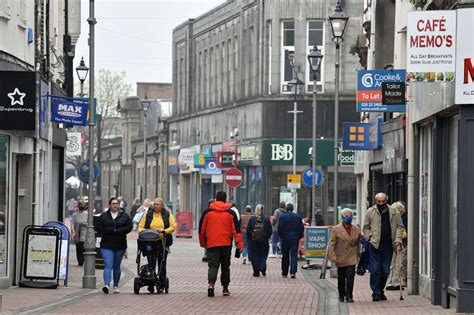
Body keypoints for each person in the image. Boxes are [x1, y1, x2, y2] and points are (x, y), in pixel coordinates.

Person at [199, 191, 243, 297]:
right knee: (225, 266)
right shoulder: (230, 213)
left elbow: (202, 230)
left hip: (212, 244)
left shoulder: (207, 212)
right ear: (225, 199)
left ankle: (211, 285)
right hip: (226, 244)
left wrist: (203, 243)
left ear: (215, 199)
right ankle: (225, 288)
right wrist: (240, 244)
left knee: (213, 265)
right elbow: (236, 230)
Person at [363, 192, 403, 302]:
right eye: (379, 202)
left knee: (385, 270)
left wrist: (398, 238)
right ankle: (375, 292)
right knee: (375, 269)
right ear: (376, 201)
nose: (381, 203)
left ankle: (380, 290)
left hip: (388, 245)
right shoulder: (371, 211)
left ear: (386, 200)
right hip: (375, 245)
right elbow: (365, 227)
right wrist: (369, 238)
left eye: (383, 201)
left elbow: (400, 226)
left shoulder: (394, 212)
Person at [94, 197, 132, 294]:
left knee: (116, 266)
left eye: (116, 203)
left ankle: (116, 285)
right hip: (106, 244)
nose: (115, 205)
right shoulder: (103, 216)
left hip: (120, 245)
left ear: (118, 205)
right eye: (113, 203)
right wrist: (110, 230)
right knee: (108, 264)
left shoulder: (125, 216)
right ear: (109, 205)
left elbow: (129, 227)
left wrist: (118, 231)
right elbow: (98, 227)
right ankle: (106, 285)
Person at [138, 197, 175, 293]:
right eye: (154, 204)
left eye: (157, 204)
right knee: (151, 263)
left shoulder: (167, 214)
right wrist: (144, 232)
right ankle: (150, 282)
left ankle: (162, 284)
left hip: (162, 243)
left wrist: (164, 231)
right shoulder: (148, 215)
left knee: (162, 264)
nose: (155, 206)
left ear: (162, 206)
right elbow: (140, 226)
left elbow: (172, 226)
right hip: (150, 242)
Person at [329, 209, 363, 303]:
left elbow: (360, 237)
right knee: (341, 277)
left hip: (351, 256)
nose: (348, 218)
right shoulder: (336, 229)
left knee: (350, 276)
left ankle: (349, 296)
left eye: (349, 216)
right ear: (342, 217)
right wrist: (332, 256)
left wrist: (364, 239)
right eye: (345, 216)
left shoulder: (356, 228)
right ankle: (341, 295)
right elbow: (332, 243)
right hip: (341, 257)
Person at [277, 203, 304, 279]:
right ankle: (293, 272)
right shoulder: (298, 217)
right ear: (292, 209)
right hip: (295, 238)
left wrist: (281, 236)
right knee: (294, 254)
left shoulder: (282, 217)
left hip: (285, 238)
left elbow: (280, 228)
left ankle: (284, 272)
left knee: (285, 255)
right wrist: (299, 236)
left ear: (286, 209)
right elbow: (301, 228)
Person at [386, 201, 408, 290]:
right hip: (399, 243)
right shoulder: (401, 218)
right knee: (398, 263)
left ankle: (393, 281)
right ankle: (395, 282)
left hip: (398, 242)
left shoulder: (399, 218)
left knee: (395, 263)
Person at [246, 204, 272, 277]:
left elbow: (248, 230)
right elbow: (270, 230)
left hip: (253, 241)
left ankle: (256, 271)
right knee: (263, 254)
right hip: (264, 240)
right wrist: (267, 237)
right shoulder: (266, 219)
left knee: (254, 255)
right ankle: (262, 265)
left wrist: (249, 238)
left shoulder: (252, 219)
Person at [70, 200, 88, 266]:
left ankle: (82, 260)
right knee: (78, 247)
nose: (81, 206)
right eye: (80, 205)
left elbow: (90, 223)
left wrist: (85, 224)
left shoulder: (87, 214)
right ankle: (79, 261)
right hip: (77, 232)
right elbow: (72, 223)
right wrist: (72, 230)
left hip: (84, 232)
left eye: (82, 205)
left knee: (83, 247)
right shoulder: (75, 215)